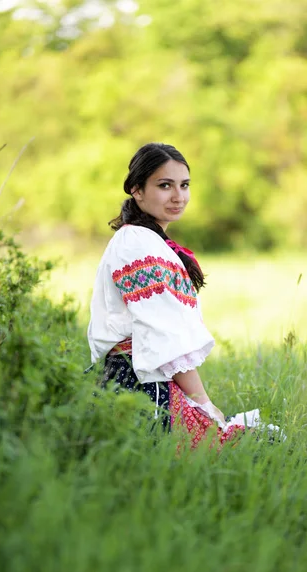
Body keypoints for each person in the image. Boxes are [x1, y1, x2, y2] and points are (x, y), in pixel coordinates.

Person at [87, 142, 260, 448]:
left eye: (184, 185)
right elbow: (161, 333)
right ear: (137, 190)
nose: (178, 196)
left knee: (245, 443)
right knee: (244, 446)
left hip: (150, 377)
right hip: (140, 384)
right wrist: (203, 401)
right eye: (165, 185)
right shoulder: (137, 244)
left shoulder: (149, 240)